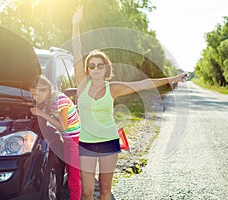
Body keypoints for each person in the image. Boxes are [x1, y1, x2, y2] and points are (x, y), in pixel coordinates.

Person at [72, 5, 187, 200]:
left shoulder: (113, 88)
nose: (96, 68)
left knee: (106, 191)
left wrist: (171, 79)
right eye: (91, 65)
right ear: (87, 69)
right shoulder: (81, 84)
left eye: (100, 65)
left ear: (105, 68)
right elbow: (77, 50)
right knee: (87, 192)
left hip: (108, 142)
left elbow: (144, 84)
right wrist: (75, 25)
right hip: (87, 144)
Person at [29, 75, 81, 200]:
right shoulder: (48, 100)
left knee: (74, 177)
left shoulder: (60, 100)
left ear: (46, 90)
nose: (35, 98)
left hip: (75, 140)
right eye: (33, 95)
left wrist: (41, 113)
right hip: (68, 139)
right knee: (70, 173)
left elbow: (63, 127)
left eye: (37, 94)